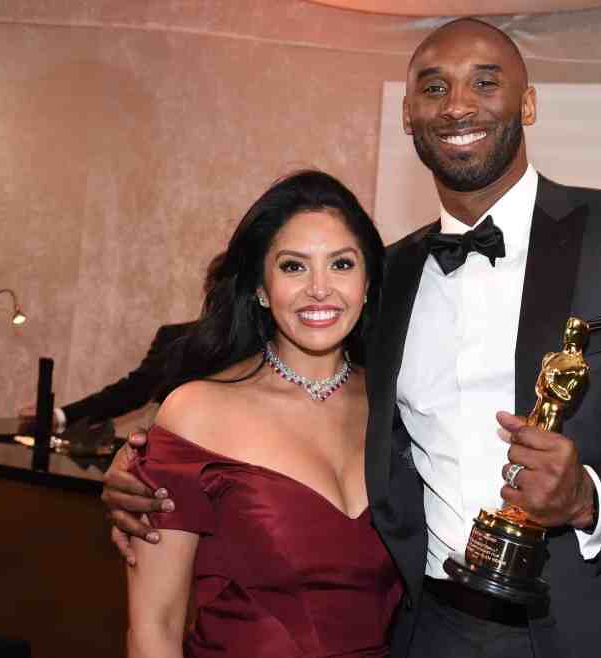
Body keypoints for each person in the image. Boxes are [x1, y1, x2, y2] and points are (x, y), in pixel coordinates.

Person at [104, 18, 601, 658]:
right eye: (433, 88)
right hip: (430, 632)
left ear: (528, 103)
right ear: (409, 114)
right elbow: (296, 413)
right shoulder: (385, 279)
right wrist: (144, 473)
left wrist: (590, 496)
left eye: (485, 82)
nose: (458, 105)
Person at [124, 170, 398, 658]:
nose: (320, 289)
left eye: (341, 264)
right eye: (294, 267)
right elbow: (154, 628)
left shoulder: (399, 409)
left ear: (367, 281)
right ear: (261, 288)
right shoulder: (196, 413)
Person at [16, 255, 227, 434]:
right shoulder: (176, 339)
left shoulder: (249, 353)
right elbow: (133, 391)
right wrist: (60, 415)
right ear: (210, 289)